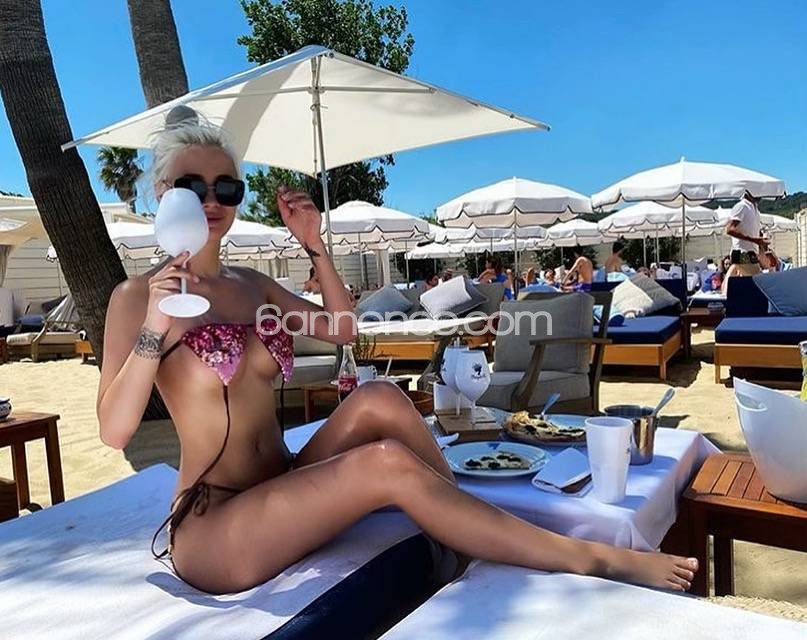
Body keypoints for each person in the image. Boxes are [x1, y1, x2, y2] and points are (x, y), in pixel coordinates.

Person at [97, 119, 696, 595]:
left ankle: (462, 522)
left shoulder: (251, 284)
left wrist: (316, 248)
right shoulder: (135, 298)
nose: (211, 200)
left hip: (282, 479)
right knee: (382, 464)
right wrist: (154, 327)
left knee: (380, 397)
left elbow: (343, 330)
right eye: (192, 186)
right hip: (217, 522)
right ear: (162, 195)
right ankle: (589, 558)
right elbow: (114, 431)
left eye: (227, 187)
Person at [725, 192, 769, 277]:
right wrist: (754, 240)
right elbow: (729, 229)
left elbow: (753, 232)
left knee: (751, 280)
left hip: (749, 254)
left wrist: (760, 241)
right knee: (756, 280)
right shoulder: (742, 206)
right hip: (742, 254)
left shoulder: (754, 209)